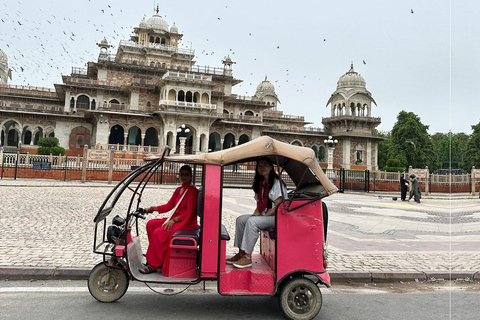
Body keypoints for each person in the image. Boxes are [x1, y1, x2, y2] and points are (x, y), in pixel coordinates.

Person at [226, 157, 287, 269]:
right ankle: (241, 253)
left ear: (271, 167)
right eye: (259, 166)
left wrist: (261, 217)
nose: (262, 168)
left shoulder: (277, 184)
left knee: (252, 222)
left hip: (275, 216)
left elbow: (278, 208)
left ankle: (248, 257)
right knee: (241, 220)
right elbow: (259, 206)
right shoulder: (261, 184)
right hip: (264, 215)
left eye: (265, 165)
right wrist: (256, 215)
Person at [139, 165, 198, 275]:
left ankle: (153, 265)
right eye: (182, 174)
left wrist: (174, 220)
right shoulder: (179, 190)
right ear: (179, 175)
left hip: (185, 222)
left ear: (190, 176)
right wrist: (152, 208)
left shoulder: (192, 191)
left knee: (158, 233)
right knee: (151, 224)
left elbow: (189, 212)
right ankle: (158, 255)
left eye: (186, 174)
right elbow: (169, 206)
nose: (184, 177)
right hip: (175, 219)